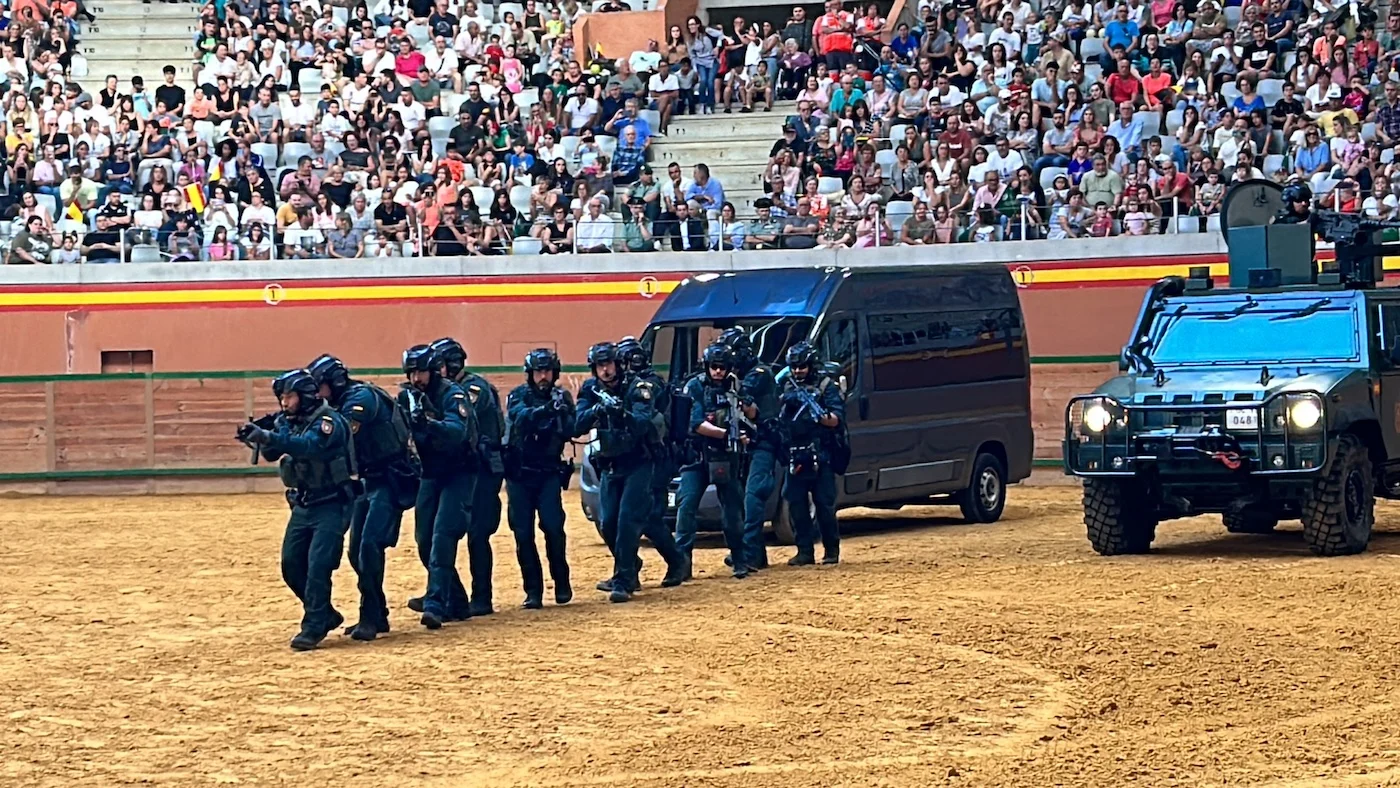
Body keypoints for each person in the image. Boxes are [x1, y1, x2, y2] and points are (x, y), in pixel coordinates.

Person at [236, 370, 356, 651]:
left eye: (289, 396)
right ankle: (324, 613)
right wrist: (255, 437)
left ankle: (313, 625)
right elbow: (271, 453)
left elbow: (309, 447)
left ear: (304, 396)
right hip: (303, 504)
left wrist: (268, 436)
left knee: (318, 565)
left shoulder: (329, 422)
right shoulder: (288, 422)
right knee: (292, 565)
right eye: (281, 397)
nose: (284, 403)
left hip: (331, 503)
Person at [306, 354, 418, 642]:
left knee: (369, 546)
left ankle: (371, 615)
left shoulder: (361, 398)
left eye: (319, 386)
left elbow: (340, 435)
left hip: (389, 479)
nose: (316, 393)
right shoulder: (337, 403)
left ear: (334, 382)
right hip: (367, 481)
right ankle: (377, 612)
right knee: (356, 550)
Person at [573, 342, 689, 602]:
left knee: (629, 520)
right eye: (600, 366)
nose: (605, 370)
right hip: (610, 464)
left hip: (639, 462)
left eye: (609, 364)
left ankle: (624, 581)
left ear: (618, 364)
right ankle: (640, 564)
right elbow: (575, 425)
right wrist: (596, 410)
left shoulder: (639, 387)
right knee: (608, 522)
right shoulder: (591, 390)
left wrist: (621, 413)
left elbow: (641, 422)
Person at [398, 344, 479, 630]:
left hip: (459, 473)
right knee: (424, 540)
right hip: (430, 474)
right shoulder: (406, 396)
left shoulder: (452, 394)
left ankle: (435, 603)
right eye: (411, 372)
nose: (415, 378)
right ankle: (456, 600)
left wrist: (430, 424)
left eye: (420, 372)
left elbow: (457, 431)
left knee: (444, 536)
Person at [430, 337, 506, 617]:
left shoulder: (473, 388)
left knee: (478, 534)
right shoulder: (445, 391)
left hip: (484, 470)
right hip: (462, 470)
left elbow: (464, 417)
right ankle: (449, 594)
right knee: (445, 532)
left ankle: (481, 597)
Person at [504, 348, 576, 609]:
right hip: (519, 475)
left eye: (547, 371)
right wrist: (547, 410)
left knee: (554, 529)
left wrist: (562, 411)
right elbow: (520, 418)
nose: (542, 376)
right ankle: (533, 591)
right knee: (523, 534)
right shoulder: (518, 396)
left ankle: (562, 583)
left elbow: (572, 429)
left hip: (547, 474)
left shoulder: (562, 397)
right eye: (538, 372)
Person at [674, 342, 750, 577]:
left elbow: (751, 412)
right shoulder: (694, 386)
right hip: (697, 455)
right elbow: (695, 423)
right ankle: (681, 565)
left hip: (727, 456)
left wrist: (746, 417)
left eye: (722, 367)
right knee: (686, 508)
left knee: (733, 510)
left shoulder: (735, 386)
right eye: (714, 366)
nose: (718, 371)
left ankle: (739, 559)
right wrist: (725, 432)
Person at [777, 342, 846, 565]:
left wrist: (817, 415)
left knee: (824, 504)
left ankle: (831, 550)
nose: (798, 371)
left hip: (820, 453)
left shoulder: (826, 386)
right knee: (795, 503)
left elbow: (836, 419)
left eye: (803, 367)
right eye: (794, 367)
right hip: (794, 453)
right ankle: (804, 551)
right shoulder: (784, 385)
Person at [717, 328, 780, 572]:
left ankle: (750, 553)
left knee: (753, 496)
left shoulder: (759, 373)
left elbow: (744, 395)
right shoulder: (739, 375)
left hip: (764, 442)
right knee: (741, 497)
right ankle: (751, 552)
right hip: (744, 444)